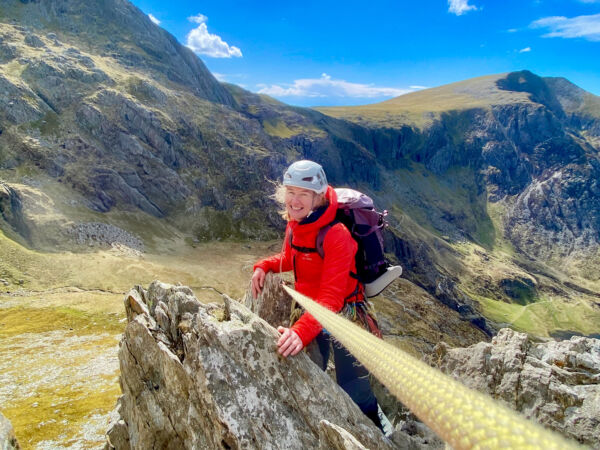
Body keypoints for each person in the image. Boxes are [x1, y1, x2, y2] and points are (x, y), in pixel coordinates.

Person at [251, 160, 384, 430]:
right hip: (310, 311)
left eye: (303, 194)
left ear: (318, 197)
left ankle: (376, 434)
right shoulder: (294, 225)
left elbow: (332, 298)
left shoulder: (337, 235)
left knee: (353, 386)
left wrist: (300, 332)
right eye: (291, 192)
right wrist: (264, 265)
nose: (294, 201)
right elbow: (291, 258)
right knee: (310, 371)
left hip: (344, 313)